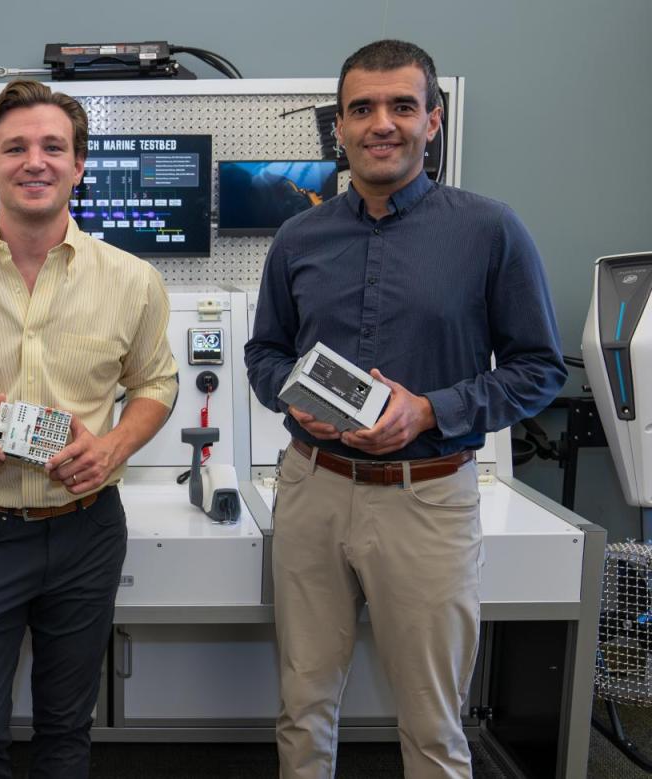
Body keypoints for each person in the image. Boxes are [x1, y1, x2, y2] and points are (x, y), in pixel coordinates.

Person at [244, 40, 566, 778]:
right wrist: (298, 399)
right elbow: (264, 355)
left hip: (428, 499)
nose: (380, 123)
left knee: (432, 724)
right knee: (302, 705)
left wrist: (430, 409)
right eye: (361, 108)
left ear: (433, 120)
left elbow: (538, 368)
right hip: (311, 489)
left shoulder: (490, 231)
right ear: (341, 126)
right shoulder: (298, 238)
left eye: (401, 105)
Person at [0, 80, 178, 778]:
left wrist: (113, 445)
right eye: (14, 147)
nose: (35, 161)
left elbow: (157, 384)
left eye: (54, 146)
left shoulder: (134, 280)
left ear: (79, 164)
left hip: (85, 529)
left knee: (64, 731)